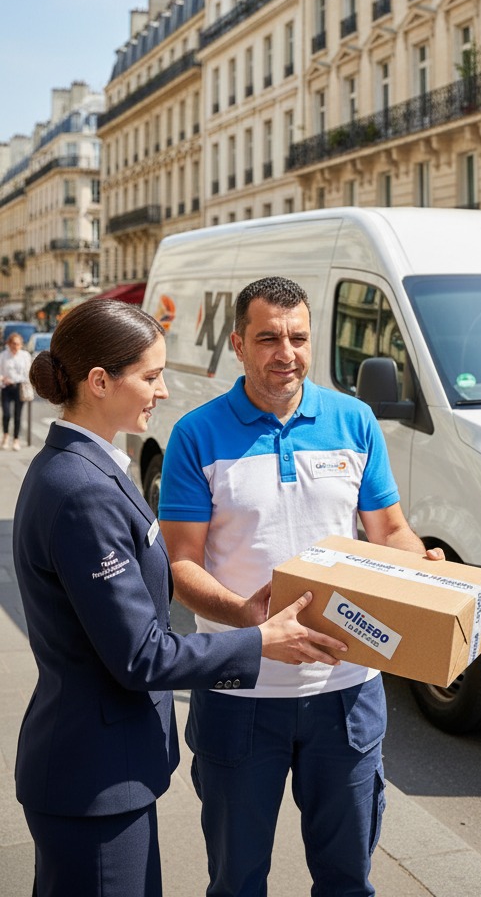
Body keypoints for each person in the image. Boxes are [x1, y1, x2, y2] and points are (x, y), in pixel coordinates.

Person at [13, 295, 346, 897]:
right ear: (98, 381)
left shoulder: (89, 466)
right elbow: (142, 656)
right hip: (94, 774)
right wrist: (260, 640)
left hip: (100, 768)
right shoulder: (82, 488)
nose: (162, 391)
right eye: (150, 376)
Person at [159, 276, 444, 897]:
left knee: (347, 881)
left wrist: (426, 571)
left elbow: (389, 530)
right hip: (238, 693)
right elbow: (181, 566)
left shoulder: (354, 420)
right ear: (237, 342)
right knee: (237, 882)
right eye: (267, 338)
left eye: (298, 337)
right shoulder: (196, 434)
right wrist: (247, 620)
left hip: (346, 693)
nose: (285, 352)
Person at [0, 328, 32, 450]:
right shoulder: (3, 355)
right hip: (7, 388)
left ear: (21, 344)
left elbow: (29, 372)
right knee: (7, 414)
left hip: (20, 387)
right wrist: (3, 379)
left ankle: (16, 439)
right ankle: (6, 436)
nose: (16, 346)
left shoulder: (25, 356)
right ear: (9, 343)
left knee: (18, 415)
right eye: (13, 343)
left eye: (18, 344)